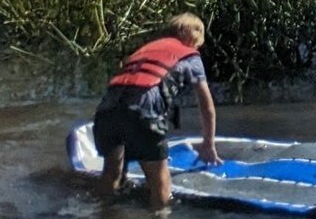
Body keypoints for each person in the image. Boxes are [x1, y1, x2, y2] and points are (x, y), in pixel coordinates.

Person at [94, 14, 221, 208]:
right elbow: (207, 106)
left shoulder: (143, 51)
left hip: (107, 110)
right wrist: (208, 144)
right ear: (193, 38)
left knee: (111, 174)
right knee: (160, 182)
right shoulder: (190, 56)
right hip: (144, 111)